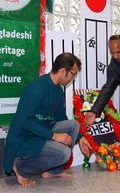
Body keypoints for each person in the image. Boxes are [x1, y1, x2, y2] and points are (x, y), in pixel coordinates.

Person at [4, 53, 91, 187]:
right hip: (24, 138)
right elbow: (24, 121)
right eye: (73, 74)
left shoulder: (57, 89)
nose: (73, 78)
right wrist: (54, 136)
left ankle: (53, 171)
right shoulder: (36, 88)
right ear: (63, 71)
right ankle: (20, 167)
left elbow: (60, 117)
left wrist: (80, 137)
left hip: (41, 131)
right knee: (64, 154)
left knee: (73, 125)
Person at [85, 35, 120, 125]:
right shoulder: (114, 66)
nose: (115, 56)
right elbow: (108, 88)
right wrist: (95, 111)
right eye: (112, 52)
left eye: (118, 52)